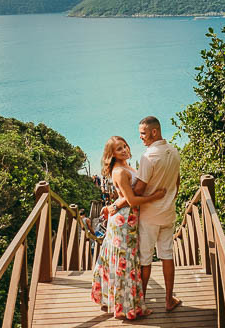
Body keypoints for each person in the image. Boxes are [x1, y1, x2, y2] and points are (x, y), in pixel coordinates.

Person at [90, 136, 166, 320]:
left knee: (126, 262)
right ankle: (129, 308)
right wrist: (155, 196)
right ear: (112, 154)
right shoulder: (119, 172)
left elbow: (125, 197)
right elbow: (131, 200)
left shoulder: (126, 166)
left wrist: (114, 206)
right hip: (123, 222)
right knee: (126, 263)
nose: (124, 150)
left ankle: (120, 303)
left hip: (128, 218)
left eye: (124, 146)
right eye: (118, 149)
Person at [133, 116, 181, 312]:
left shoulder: (149, 156)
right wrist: (168, 199)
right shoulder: (175, 152)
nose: (141, 138)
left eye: (143, 134)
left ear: (154, 132)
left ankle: (141, 303)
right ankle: (169, 300)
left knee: (145, 259)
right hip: (168, 214)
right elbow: (177, 183)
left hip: (149, 216)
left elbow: (138, 190)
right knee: (167, 256)